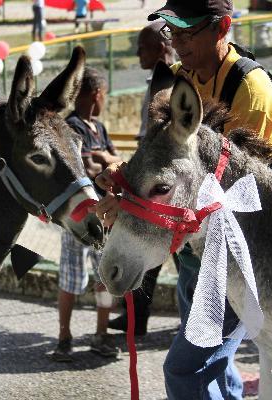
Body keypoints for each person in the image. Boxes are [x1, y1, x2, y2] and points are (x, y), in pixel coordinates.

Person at [94, 0, 272, 398]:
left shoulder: (250, 88)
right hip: (192, 251)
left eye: (188, 32)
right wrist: (126, 184)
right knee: (217, 371)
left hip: (235, 257)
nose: (177, 43)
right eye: (172, 31)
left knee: (187, 370)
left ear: (222, 28)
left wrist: (141, 203)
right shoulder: (185, 77)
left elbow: (241, 194)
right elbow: (167, 158)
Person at [107, 21, 177, 337]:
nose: (137, 53)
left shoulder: (171, 81)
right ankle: (137, 318)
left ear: (162, 48)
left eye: (142, 47)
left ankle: (139, 319)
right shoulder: (159, 79)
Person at [51, 67, 122, 363]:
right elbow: (88, 169)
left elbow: (115, 163)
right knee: (70, 278)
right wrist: (106, 161)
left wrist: (106, 159)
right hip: (79, 217)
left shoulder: (99, 128)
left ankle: (101, 334)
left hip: (104, 219)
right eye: (104, 95)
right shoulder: (72, 127)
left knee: (104, 277)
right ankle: (64, 337)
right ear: (97, 94)